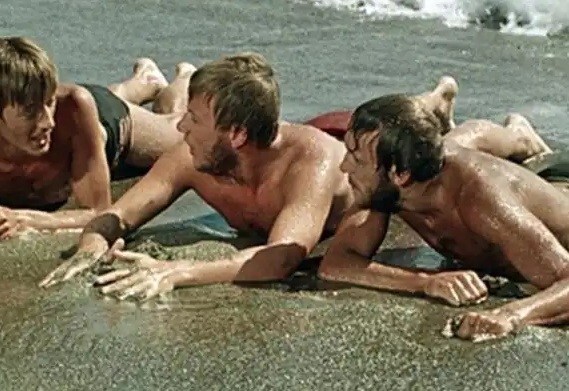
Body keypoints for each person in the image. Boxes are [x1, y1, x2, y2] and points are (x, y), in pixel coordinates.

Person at [38, 53, 462, 293]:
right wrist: (90, 247)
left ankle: (445, 104)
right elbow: (118, 216)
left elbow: (282, 257)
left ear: (237, 134)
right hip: (302, 132)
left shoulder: (312, 165)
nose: (180, 126)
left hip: (347, 143)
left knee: (427, 139)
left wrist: (178, 270)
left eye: (195, 119)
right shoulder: (192, 156)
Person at [0, 36, 194, 243]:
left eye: (49, 102)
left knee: (181, 132)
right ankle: (141, 83)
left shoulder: (70, 108)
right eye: (29, 112)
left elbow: (100, 210)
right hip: (80, 128)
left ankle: (181, 79)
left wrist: (27, 219)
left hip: (102, 124)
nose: (47, 122)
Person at [317, 93, 569, 343]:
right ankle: (510, 133)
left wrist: (509, 316)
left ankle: (520, 138)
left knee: (464, 152)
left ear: (400, 174)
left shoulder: (482, 202)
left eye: (356, 159)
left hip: (565, 180)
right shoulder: (384, 188)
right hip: (523, 181)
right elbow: (336, 264)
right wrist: (425, 281)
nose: (344, 166)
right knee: (459, 141)